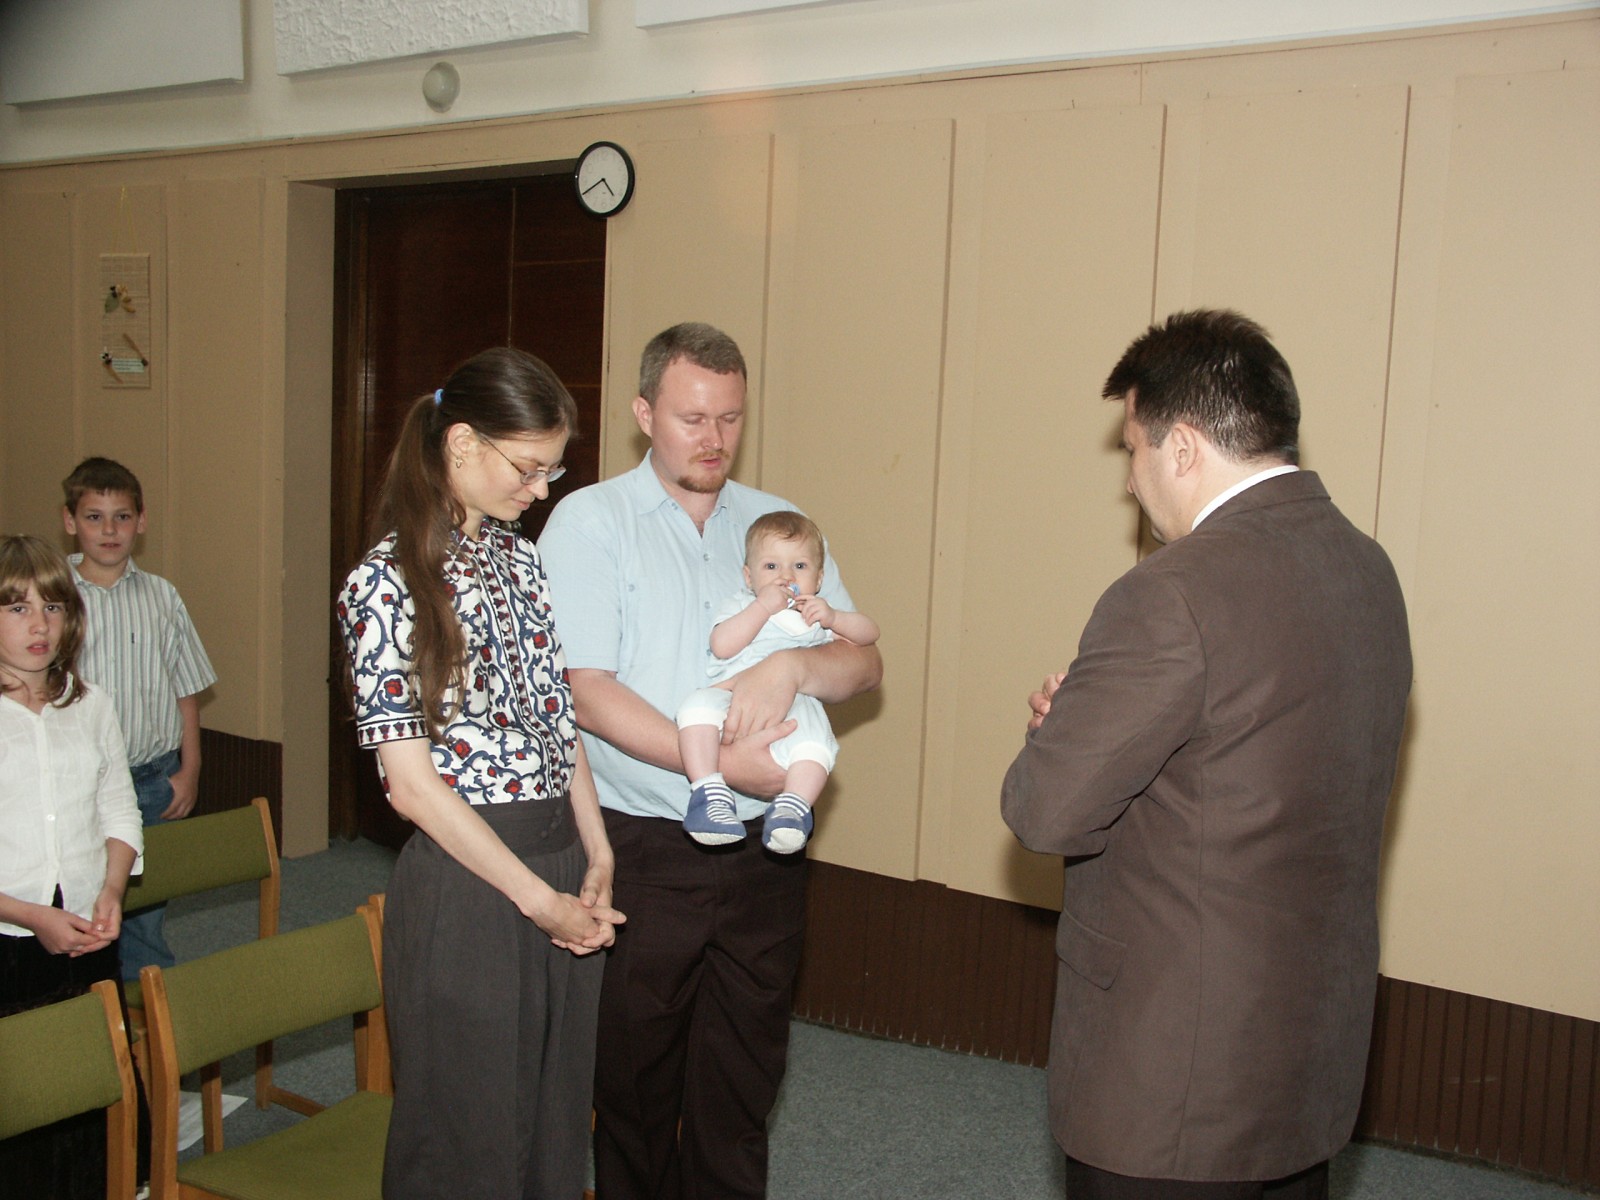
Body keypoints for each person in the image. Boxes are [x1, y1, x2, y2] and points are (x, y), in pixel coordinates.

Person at [1000, 309, 1411, 1200]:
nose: (1131, 479)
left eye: (1133, 450)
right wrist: (1106, 724)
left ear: (1182, 447)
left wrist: (1059, 733)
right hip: (1309, 1050)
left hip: (1172, 1080)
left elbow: (1046, 812)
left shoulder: (1169, 594)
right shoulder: (1368, 571)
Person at [539, 321, 882, 1199]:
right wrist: (718, 771)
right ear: (643, 414)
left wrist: (794, 667)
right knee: (634, 1086)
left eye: (730, 418)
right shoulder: (590, 523)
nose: (714, 439)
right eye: (692, 419)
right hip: (642, 847)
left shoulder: (776, 525)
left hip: (767, 852)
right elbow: (585, 691)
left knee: (743, 1081)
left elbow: (861, 663)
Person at [337, 348, 625, 1199]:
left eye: (552, 470)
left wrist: (597, 848)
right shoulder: (384, 583)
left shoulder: (518, 558)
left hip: (557, 856)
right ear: (462, 443)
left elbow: (556, 718)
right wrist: (536, 900)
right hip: (471, 881)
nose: (540, 490)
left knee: (553, 1121)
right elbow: (410, 786)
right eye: (528, 467)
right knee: (468, 1137)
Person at [0, 534, 144, 1200]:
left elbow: (119, 809)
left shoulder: (91, 705)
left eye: (52, 607)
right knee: (24, 1089)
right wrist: (31, 915)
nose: (39, 625)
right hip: (10, 935)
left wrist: (112, 889)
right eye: (17, 608)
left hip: (87, 925)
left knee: (93, 1081)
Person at [60, 457, 215, 984]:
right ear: (70, 521)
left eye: (122, 517)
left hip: (153, 778)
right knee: (85, 907)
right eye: (94, 517)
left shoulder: (162, 597)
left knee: (145, 916)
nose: (109, 530)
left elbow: (185, 688)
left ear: (141, 522)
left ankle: (149, 1019)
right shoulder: (54, 598)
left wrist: (189, 770)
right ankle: (91, 1015)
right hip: (81, 784)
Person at [676, 510, 879, 853]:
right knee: (695, 710)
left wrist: (835, 618)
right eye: (771, 566)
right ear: (749, 576)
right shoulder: (742, 605)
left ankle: (792, 809)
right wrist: (762, 608)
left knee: (815, 746)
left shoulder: (813, 615)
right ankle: (709, 793)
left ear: (819, 578)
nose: (786, 576)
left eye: (799, 566)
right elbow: (722, 645)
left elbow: (869, 635)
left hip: (795, 702)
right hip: (732, 694)